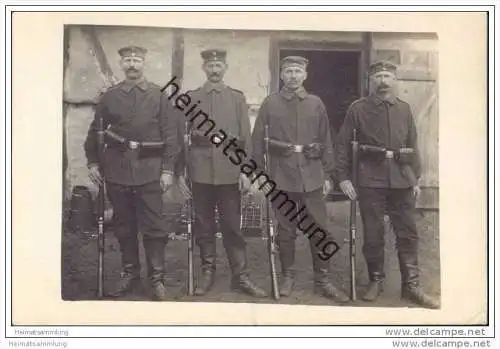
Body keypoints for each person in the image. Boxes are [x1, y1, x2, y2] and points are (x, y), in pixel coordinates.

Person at [333, 60, 439, 309]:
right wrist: (344, 177)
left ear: (395, 80)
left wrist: (416, 178)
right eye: (378, 76)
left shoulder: (404, 109)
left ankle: (411, 286)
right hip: (370, 180)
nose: (383, 81)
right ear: (371, 81)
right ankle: (376, 280)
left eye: (388, 76)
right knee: (373, 233)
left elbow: (414, 145)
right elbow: (342, 145)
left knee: (408, 233)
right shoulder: (357, 109)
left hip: (401, 179)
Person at [250, 56, 350, 303]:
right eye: (288, 71)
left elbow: (327, 139)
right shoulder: (270, 103)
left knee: (319, 228)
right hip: (281, 176)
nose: (293, 75)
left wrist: (328, 174)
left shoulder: (315, 104)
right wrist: (260, 173)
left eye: (298, 71)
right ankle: (288, 276)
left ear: (305, 75)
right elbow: (256, 141)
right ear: (281, 75)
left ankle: (322, 278)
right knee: (285, 230)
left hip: (312, 175)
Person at [84, 45, 180, 301]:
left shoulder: (159, 96)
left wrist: (168, 170)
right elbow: (96, 131)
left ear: (144, 63)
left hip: (150, 171)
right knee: (124, 227)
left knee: (155, 227)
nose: (132, 65)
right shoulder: (110, 96)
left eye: (137, 59)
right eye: (128, 60)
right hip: (117, 171)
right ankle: (130, 275)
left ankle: (157, 279)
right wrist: (93, 162)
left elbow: (171, 135)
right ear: (122, 64)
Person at [181, 49, 267, 298]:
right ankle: (207, 273)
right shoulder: (192, 98)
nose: (215, 70)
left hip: (230, 170)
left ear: (225, 68)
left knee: (232, 225)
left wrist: (246, 171)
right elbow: (181, 138)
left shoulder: (236, 98)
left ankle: (240, 276)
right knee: (203, 224)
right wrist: (181, 173)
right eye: (210, 65)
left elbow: (246, 139)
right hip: (200, 171)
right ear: (204, 68)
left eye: (219, 65)